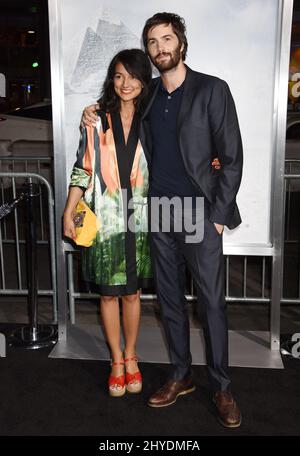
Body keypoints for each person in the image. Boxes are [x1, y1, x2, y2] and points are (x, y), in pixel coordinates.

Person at [82, 12, 243, 428]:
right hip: (157, 211)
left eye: (167, 39)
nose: (160, 48)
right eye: (152, 42)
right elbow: (118, 102)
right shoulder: (149, 92)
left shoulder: (212, 89)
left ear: (182, 43)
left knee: (210, 304)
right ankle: (180, 374)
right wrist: (92, 111)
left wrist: (219, 218)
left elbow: (231, 158)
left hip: (200, 214)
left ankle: (222, 385)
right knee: (169, 302)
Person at [64, 49, 153, 397]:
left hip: (143, 220)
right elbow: (83, 167)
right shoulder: (97, 118)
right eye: (118, 76)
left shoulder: (154, 118)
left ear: (144, 79)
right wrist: (69, 210)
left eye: (131, 76)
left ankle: (132, 355)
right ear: (111, 80)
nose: (125, 83)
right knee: (108, 295)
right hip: (106, 219)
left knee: (132, 294)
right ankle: (116, 360)